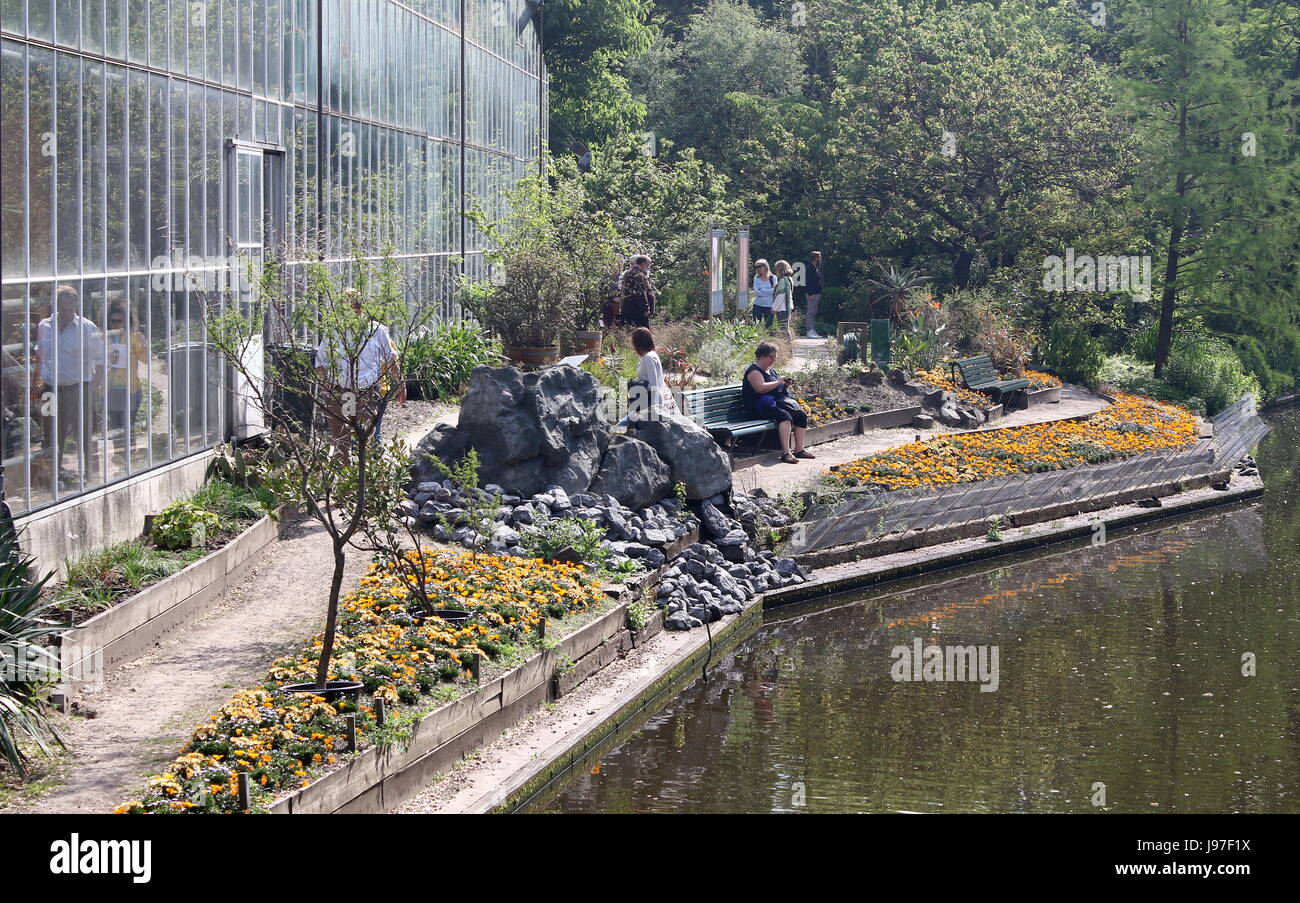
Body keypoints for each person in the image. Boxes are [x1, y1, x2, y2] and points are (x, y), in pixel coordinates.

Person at [314, 289, 404, 450]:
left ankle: (362, 472)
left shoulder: (377, 331)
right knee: (342, 441)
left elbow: (391, 360)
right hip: (340, 392)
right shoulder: (334, 331)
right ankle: (347, 470)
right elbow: (321, 361)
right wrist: (325, 384)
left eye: (353, 306)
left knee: (363, 440)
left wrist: (400, 384)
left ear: (360, 308)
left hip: (366, 394)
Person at [35, 284, 105, 485]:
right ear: (56, 306)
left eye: (70, 308)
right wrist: (35, 384)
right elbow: (40, 357)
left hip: (79, 389)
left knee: (84, 434)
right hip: (51, 390)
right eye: (62, 308)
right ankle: (54, 478)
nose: (66, 312)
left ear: (75, 305)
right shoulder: (44, 326)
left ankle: (90, 476)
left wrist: (93, 388)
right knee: (51, 435)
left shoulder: (87, 327)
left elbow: (100, 361)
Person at [742, 342, 814, 465]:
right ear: (763, 356)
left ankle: (799, 449)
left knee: (800, 415)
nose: (774, 360)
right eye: (772, 357)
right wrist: (778, 381)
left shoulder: (771, 371)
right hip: (758, 407)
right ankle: (786, 453)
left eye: (775, 357)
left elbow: (775, 388)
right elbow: (760, 388)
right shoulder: (754, 371)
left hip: (772, 404)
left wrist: (784, 384)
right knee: (785, 417)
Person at [105, 299, 148, 437]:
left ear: (127, 320)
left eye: (120, 320)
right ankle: (119, 458)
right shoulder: (103, 338)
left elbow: (146, 360)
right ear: (108, 321)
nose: (117, 324)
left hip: (131, 390)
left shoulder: (133, 338)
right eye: (113, 320)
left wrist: (143, 344)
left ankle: (131, 458)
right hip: (111, 391)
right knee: (115, 432)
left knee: (128, 432)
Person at [630, 326, 677, 415]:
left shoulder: (648, 358)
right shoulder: (651, 356)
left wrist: (654, 409)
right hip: (651, 401)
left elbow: (653, 384)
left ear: (638, 343)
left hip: (651, 403)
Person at [618, 255, 656, 328]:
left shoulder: (627, 273)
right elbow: (641, 293)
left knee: (629, 333)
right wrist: (646, 309)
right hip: (638, 311)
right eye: (648, 266)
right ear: (643, 264)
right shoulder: (638, 275)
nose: (648, 268)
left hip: (627, 309)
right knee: (642, 334)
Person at [772, 260, 796, 340]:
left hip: (782, 308)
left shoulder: (783, 280)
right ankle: (789, 346)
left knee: (783, 329)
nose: (776, 271)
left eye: (777, 269)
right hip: (787, 307)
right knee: (785, 328)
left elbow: (781, 296)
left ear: (780, 269)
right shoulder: (789, 279)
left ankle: (787, 347)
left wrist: (774, 308)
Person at [751, 259, 777, 328]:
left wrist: (762, 289)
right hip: (758, 305)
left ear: (765, 266)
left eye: (759, 266)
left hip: (769, 306)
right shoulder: (756, 278)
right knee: (755, 325)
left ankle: (770, 338)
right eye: (756, 267)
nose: (758, 269)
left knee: (769, 326)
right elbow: (757, 292)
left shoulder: (773, 278)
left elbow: (775, 291)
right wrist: (769, 291)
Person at [805, 250, 824, 338]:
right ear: (815, 258)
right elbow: (808, 282)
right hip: (812, 294)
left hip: (817, 293)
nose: (820, 258)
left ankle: (813, 330)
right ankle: (809, 330)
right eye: (819, 257)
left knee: (814, 312)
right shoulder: (809, 268)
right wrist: (810, 293)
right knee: (810, 312)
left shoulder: (816, 268)